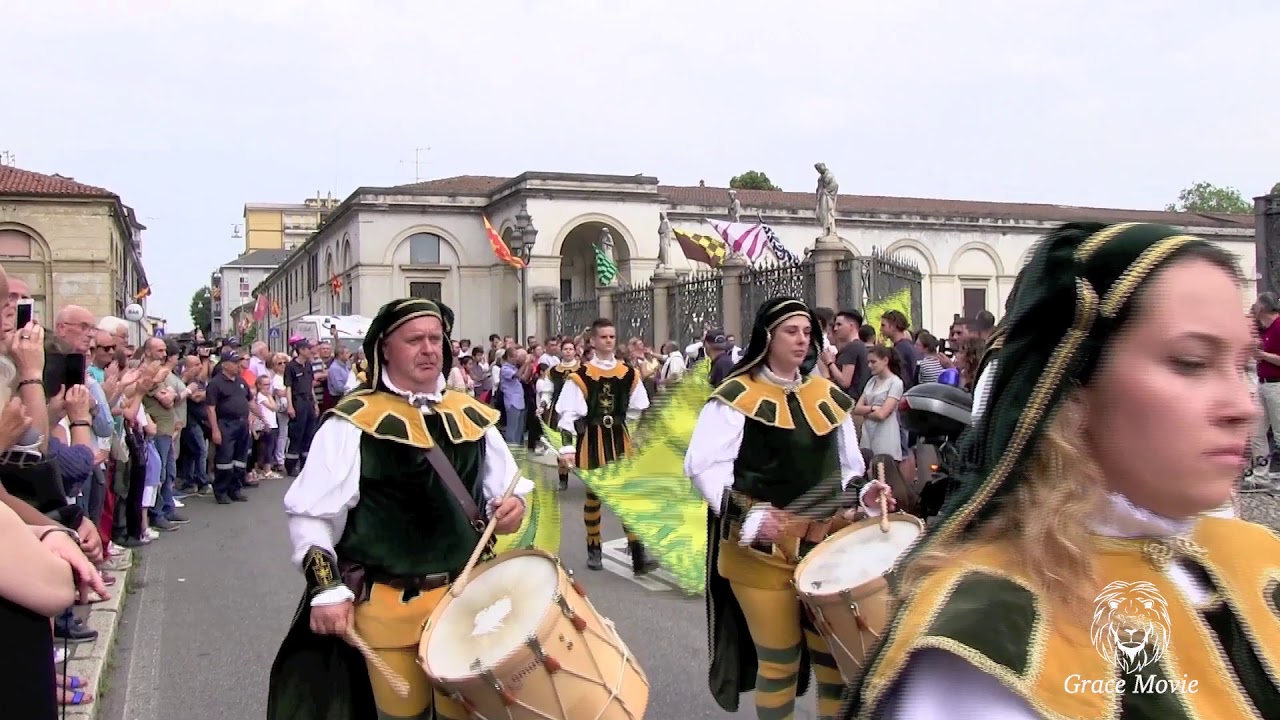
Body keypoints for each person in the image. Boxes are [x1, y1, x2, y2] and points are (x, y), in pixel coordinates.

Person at [840, 222, 1280, 719]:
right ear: (1071, 389)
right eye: (1191, 362)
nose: (1243, 407)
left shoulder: (1258, 556)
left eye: (1242, 364)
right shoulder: (991, 637)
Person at [268, 298, 532, 720]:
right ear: (385, 349)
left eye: (435, 339)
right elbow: (311, 516)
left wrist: (513, 509)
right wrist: (325, 588)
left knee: (467, 716)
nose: (429, 349)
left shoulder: (470, 417)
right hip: (389, 608)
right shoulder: (351, 424)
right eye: (414, 340)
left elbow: (510, 494)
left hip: (466, 606)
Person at [686, 296, 895, 720]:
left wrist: (867, 494)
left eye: (806, 332)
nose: (802, 340)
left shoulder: (828, 395)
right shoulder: (735, 397)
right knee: (780, 662)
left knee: (835, 667)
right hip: (759, 554)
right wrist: (752, 516)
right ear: (767, 337)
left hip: (824, 548)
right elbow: (703, 467)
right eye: (791, 331)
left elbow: (847, 469)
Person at [555, 318, 657, 574]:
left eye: (612, 337)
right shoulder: (581, 376)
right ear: (593, 341)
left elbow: (637, 408)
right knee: (594, 496)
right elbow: (568, 415)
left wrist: (636, 437)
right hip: (592, 437)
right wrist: (567, 449)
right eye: (603, 337)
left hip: (620, 438)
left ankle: (638, 554)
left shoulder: (628, 373)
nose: (609, 341)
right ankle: (594, 550)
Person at [546, 338, 579, 491]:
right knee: (561, 446)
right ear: (561, 351)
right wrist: (543, 404)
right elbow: (548, 390)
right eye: (565, 349)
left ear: (575, 351)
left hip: (579, 411)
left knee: (582, 444)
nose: (568, 352)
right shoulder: (554, 371)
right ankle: (563, 479)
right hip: (559, 411)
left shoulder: (583, 369)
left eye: (570, 349)